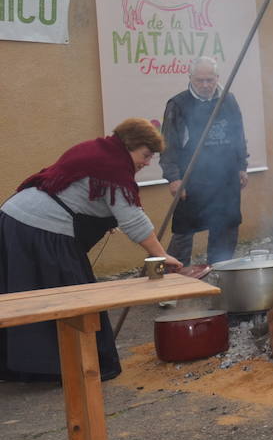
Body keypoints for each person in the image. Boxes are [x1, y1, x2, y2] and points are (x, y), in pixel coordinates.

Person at [0, 119, 182, 382]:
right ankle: (67, 367)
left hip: (16, 219)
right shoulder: (113, 167)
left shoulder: (99, 150)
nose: (147, 162)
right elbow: (133, 220)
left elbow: (78, 192)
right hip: (38, 230)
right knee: (72, 298)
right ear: (129, 146)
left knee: (27, 294)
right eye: (145, 155)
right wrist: (161, 253)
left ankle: (21, 366)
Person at [160, 56, 249, 266]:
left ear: (217, 78)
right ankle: (175, 280)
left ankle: (220, 273)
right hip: (192, 179)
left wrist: (241, 167)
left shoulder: (228, 100)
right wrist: (173, 178)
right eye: (200, 80)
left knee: (226, 228)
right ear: (190, 78)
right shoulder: (178, 104)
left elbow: (238, 136)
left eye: (210, 80)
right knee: (183, 232)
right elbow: (168, 144)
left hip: (226, 178)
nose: (205, 85)